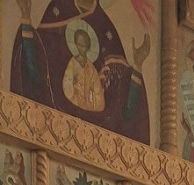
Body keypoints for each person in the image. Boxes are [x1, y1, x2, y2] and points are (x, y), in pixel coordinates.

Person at [10, 0, 151, 142]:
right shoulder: (57, 9)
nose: (81, 48)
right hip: (53, 123)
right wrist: (26, 20)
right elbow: (36, 72)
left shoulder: (105, 26)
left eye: (84, 45)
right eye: (79, 44)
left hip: (100, 136)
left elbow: (124, 106)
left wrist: (137, 67)